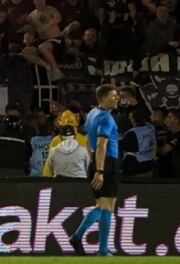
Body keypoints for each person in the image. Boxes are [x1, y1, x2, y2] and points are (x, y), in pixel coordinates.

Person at [71, 84, 121, 255]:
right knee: (107, 207)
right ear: (104, 97)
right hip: (107, 163)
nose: (117, 99)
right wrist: (100, 171)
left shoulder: (92, 114)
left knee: (101, 206)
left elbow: (87, 141)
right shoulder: (106, 118)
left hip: (96, 162)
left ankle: (78, 237)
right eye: (114, 96)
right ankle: (102, 250)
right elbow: (102, 145)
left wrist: (92, 163)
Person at [120, 109, 157, 177]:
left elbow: (121, 146)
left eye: (131, 117)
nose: (129, 118)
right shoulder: (150, 127)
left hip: (136, 163)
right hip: (149, 161)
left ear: (134, 119)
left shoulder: (132, 133)